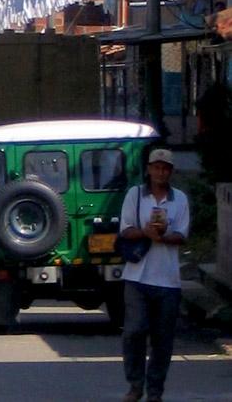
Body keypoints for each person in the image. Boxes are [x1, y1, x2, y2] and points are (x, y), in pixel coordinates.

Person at [119, 148, 190, 402]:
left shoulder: (179, 199)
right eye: (156, 167)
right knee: (134, 331)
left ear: (170, 172)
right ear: (149, 169)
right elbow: (125, 230)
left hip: (168, 280)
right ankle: (135, 385)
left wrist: (162, 235)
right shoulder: (135, 195)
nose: (160, 172)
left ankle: (155, 391)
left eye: (165, 168)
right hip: (137, 277)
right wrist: (145, 232)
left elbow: (181, 235)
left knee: (163, 340)